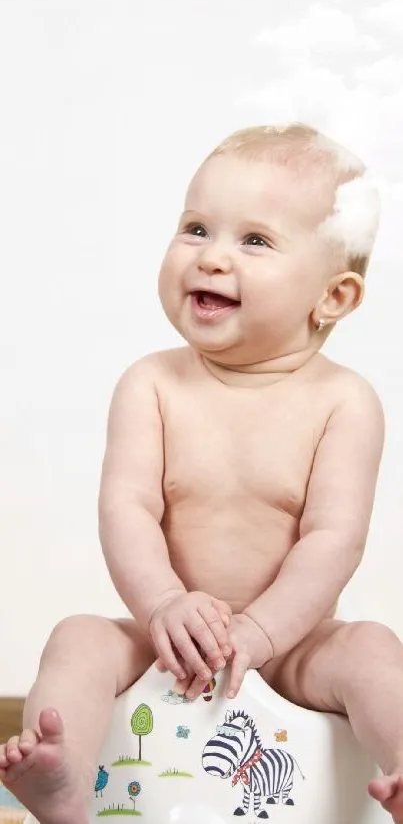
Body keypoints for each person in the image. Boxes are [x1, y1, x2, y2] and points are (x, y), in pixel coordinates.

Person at [2, 123, 402, 824]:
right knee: (79, 636)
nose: (211, 258)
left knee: (371, 651)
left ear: (331, 297)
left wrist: (260, 630)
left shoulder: (343, 400)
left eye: (254, 240)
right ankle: (62, 774)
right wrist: (160, 604)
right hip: (161, 634)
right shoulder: (151, 383)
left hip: (290, 647)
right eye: (195, 228)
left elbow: (332, 539)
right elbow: (126, 509)